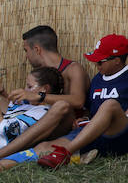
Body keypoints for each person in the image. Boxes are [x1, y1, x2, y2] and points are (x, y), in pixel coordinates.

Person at [34, 34, 128, 169]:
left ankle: (66, 153)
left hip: (121, 135)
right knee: (43, 148)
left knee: (110, 105)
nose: (96, 65)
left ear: (116, 60)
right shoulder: (98, 79)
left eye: (100, 61)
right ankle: (74, 157)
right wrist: (84, 117)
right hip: (93, 134)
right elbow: (90, 107)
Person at [0, 26, 91, 161]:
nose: (26, 57)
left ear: (36, 49)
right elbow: (22, 111)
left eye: (26, 51)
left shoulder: (72, 69)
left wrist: (39, 96)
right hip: (35, 127)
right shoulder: (40, 74)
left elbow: (78, 101)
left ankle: (5, 152)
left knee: (61, 106)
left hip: (63, 128)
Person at [0, 67, 64, 170]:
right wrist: (3, 93)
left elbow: (7, 130)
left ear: (44, 89)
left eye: (29, 87)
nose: (25, 90)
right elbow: (9, 112)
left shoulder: (42, 113)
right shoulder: (25, 103)